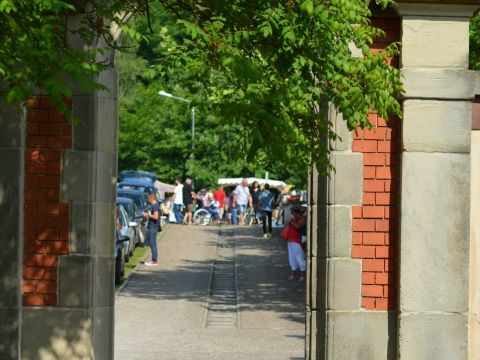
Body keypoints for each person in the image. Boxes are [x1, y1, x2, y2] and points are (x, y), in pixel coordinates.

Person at [280, 206, 306, 281]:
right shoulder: (294, 219)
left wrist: (292, 221)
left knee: (300, 258)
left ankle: (302, 276)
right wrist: (291, 220)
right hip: (291, 240)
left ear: (298, 213)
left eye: (293, 212)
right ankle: (293, 274)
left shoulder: (302, 219)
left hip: (297, 241)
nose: (292, 214)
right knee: (292, 259)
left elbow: (297, 226)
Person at [143, 192, 160, 266]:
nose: (147, 200)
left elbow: (156, 217)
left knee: (152, 243)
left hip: (153, 226)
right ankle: (154, 260)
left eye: (148, 198)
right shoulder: (154, 205)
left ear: (151, 198)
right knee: (152, 243)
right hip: (153, 226)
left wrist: (148, 215)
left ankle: (154, 260)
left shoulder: (155, 206)